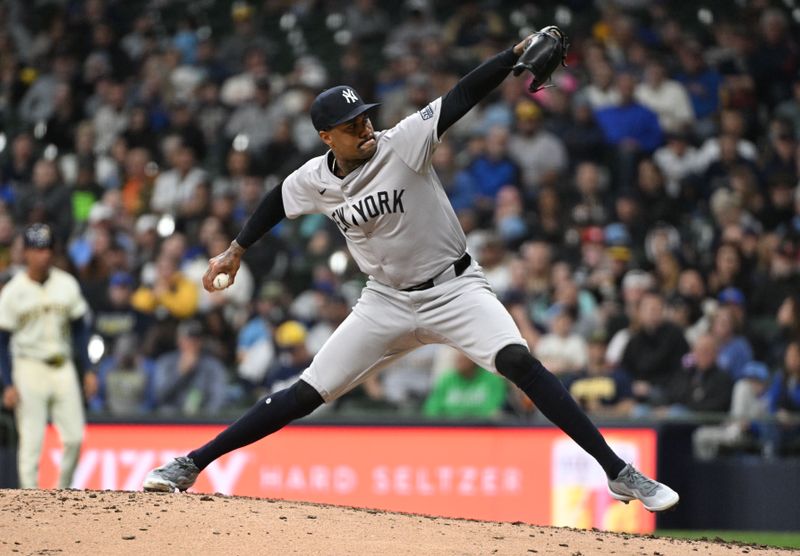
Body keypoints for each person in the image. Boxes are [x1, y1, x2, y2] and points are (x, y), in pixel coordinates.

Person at [143, 34, 679, 512]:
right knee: (305, 392)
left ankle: (619, 473)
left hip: (454, 288)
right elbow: (275, 203)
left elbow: (462, 96)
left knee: (520, 361)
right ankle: (191, 463)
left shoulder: (402, 141)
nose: (365, 126)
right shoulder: (313, 179)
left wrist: (513, 57)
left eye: (365, 116)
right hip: (385, 302)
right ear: (327, 137)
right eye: (352, 125)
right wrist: (236, 248)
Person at [0, 224, 95, 488]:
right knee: (31, 440)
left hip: (62, 366)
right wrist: (7, 383)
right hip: (28, 366)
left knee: (75, 437)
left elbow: (80, 330)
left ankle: (61, 496)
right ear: (26, 253)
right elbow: (2, 341)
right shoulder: (13, 291)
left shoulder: (66, 284)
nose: (44, 255)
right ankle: (30, 503)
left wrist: (87, 369)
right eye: (38, 249)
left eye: (48, 249)